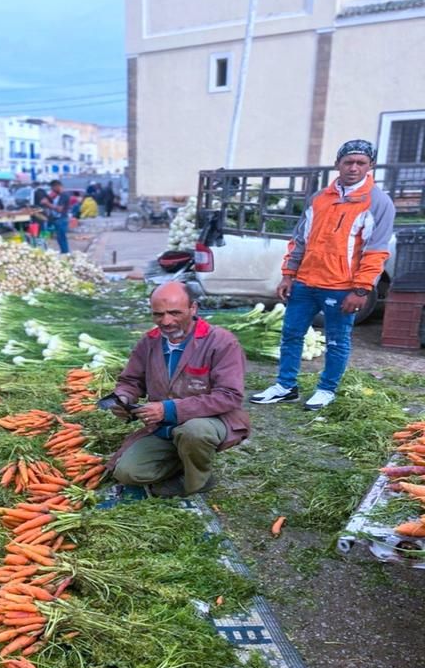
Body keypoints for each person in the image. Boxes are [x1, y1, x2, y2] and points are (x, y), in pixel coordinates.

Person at [250, 139, 395, 411]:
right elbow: (300, 240)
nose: (353, 168)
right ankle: (286, 386)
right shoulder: (320, 198)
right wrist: (289, 274)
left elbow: (376, 250)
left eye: (360, 163)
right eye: (348, 162)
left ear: (370, 166)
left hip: (342, 287)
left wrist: (361, 289)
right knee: (291, 334)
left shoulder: (377, 202)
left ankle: (326, 389)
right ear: (337, 164)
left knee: (337, 341)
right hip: (305, 283)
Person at [106, 281, 250, 497]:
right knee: (127, 472)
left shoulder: (221, 342)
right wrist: (123, 399)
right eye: (158, 314)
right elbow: (131, 380)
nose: (166, 321)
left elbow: (229, 396)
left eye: (174, 313)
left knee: (193, 432)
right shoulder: (149, 342)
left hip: (211, 421)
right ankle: (185, 459)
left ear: (193, 308)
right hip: (164, 428)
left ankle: (198, 481)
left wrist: (169, 410)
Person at [42, 180, 71, 254]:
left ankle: (65, 253)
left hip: (61, 219)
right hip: (59, 219)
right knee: (60, 238)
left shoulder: (64, 195)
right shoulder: (59, 195)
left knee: (62, 238)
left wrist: (47, 203)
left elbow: (59, 209)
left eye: (52, 188)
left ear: (57, 186)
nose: (52, 190)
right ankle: (64, 252)